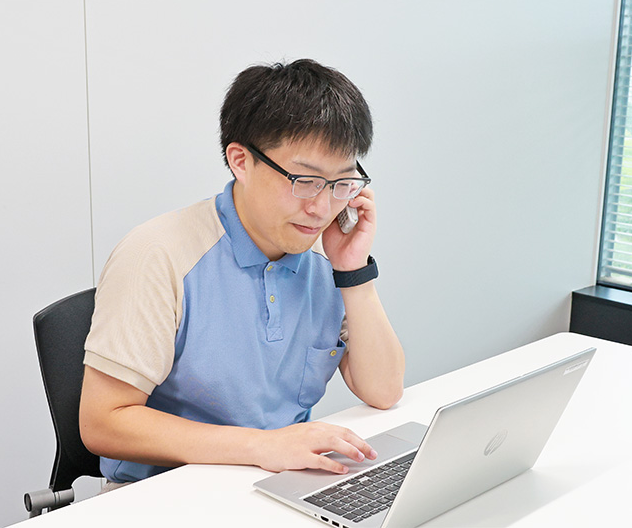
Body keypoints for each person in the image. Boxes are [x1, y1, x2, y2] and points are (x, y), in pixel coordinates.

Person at [79, 59, 405, 485]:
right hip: (164, 493)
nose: (322, 208)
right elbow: (103, 422)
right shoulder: (159, 255)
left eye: (342, 183)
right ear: (240, 161)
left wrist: (353, 271)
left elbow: (384, 391)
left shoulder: (322, 257)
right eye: (305, 180)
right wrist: (261, 446)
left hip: (275, 479)